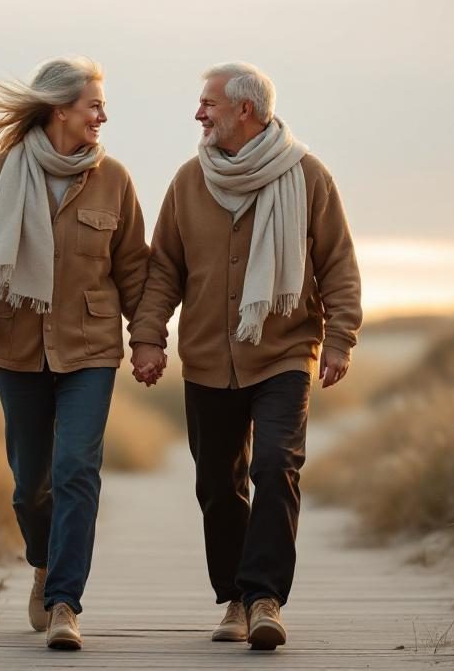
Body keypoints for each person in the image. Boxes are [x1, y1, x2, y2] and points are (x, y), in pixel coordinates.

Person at [130, 62, 362, 651]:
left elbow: (337, 264)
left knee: (275, 468)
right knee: (217, 483)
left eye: (208, 103)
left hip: (283, 352)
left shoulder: (307, 177)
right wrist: (150, 337)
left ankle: (263, 599)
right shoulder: (189, 181)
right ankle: (233, 596)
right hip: (208, 356)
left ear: (245, 111)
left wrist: (339, 339)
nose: (199, 113)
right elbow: (164, 271)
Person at [0, 57, 149, 650]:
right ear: (61, 109)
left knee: (76, 472)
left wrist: (147, 340)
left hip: (89, 351)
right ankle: (43, 559)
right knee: (30, 485)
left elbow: (135, 270)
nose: (103, 116)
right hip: (16, 348)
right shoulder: (1, 174)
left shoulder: (115, 180)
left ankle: (64, 602)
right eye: (93, 105)